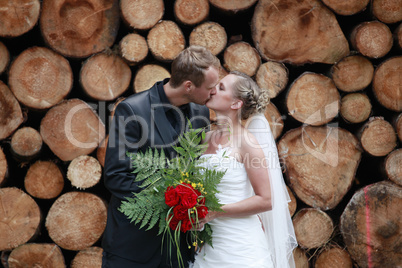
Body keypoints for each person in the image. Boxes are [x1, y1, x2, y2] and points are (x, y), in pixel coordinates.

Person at [102, 45, 220, 268]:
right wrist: (171, 200)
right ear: (188, 86)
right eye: (210, 87)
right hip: (132, 247)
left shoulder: (201, 112)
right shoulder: (131, 110)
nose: (214, 93)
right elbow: (116, 176)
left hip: (178, 250)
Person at [192, 71, 297, 267]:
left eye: (221, 88)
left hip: (241, 250)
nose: (213, 90)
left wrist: (214, 212)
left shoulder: (248, 142)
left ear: (235, 104)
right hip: (207, 248)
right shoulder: (204, 139)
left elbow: (266, 200)